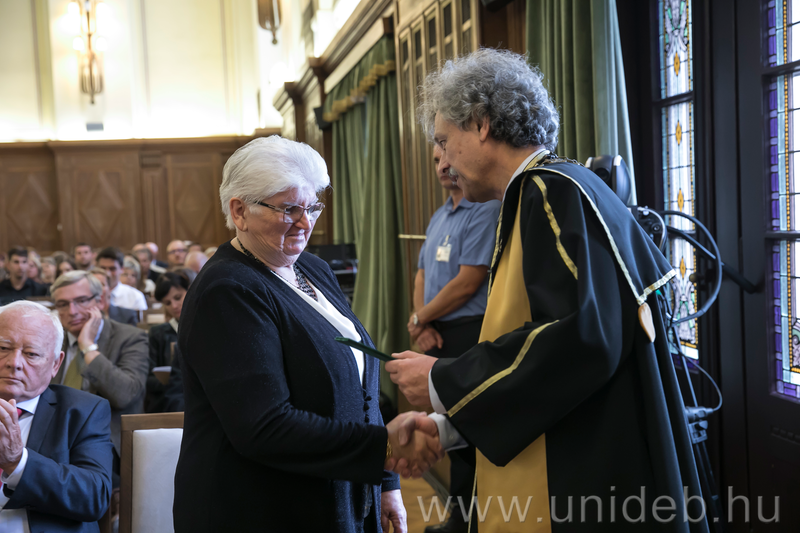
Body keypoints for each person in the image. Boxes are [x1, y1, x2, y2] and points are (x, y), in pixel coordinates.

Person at [385, 48, 709, 532]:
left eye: (444, 141)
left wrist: (441, 379)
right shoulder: (547, 191)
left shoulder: (550, 192)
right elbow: (554, 370)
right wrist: (449, 427)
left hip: (585, 481)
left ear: (481, 124)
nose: (445, 162)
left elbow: (581, 337)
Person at [173, 136, 442, 533]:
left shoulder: (312, 268)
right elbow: (264, 427)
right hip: (263, 510)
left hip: (342, 492)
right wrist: (382, 449)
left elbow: (360, 389)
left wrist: (386, 483)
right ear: (239, 211)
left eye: (313, 206)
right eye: (289, 209)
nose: (305, 222)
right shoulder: (227, 291)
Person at [409, 145, 499, 533]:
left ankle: (471, 523)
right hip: (438, 333)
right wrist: (421, 323)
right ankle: (460, 520)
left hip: (470, 332)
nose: (442, 166)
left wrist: (420, 318)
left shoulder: (485, 209)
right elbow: (421, 274)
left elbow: (467, 283)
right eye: (435, 160)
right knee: (450, 429)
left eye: (447, 156)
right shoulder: (439, 215)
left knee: (469, 432)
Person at [0, 301, 114, 532]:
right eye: (3, 348)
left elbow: (94, 497)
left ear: (55, 364)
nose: (14, 363)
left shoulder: (84, 411)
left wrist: (17, 462)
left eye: (31, 354)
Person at [50, 271, 149, 458]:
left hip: (105, 443)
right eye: (63, 304)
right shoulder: (52, 340)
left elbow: (125, 395)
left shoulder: (130, 338)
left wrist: (88, 347)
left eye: (81, 301)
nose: (72, 311)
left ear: (100, 301)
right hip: (53, 440)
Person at [145, 272, 189, 413]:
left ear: (189, 290)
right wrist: (174, 381)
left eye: (178, 297)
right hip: (168, 402)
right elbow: (147, 377)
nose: (174, 306)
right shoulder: (158, 333)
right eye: (168, 303)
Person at [96, 248, 147, 312]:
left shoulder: (135, 296)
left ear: (122, 269)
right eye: (103, 268)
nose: (107, 273)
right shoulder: (89, 295)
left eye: (112, 269)